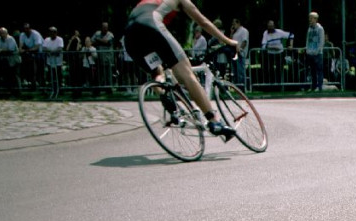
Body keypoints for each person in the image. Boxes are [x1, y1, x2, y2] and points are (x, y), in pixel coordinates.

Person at [124, 1, 239, 140]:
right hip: (151, 24)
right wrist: (228, 41)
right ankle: (214, 121)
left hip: (131, 36)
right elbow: (203, 22)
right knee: (187, 73)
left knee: (158, 73)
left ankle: (170, 104)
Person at [261, 21, 293, 85]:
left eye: (272, 26)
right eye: (269, 26)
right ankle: (271, 84)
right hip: (270, 54)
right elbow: (263, 46)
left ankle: (280, 84)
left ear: (274, 26)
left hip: (279, 53)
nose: (270, 28)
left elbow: (291, 35)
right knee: (270, 69)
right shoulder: (265, 33)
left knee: (279, 69)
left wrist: (291, 45)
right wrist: (273, 48)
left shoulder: (279, 32)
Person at [0, 27, 20, 93]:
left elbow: (11, 49)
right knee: (7, 76)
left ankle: (18, 91)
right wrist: (1, 50)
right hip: (4, 61)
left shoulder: (11, 39)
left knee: (14, 76)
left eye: (3, 33)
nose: (2, 34)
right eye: (0, 33)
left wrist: (2, 50)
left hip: (13, 60)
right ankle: (9, 91)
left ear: (6, 33)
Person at [41, 26, 63, 99]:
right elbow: (44, 48)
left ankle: (59, 89)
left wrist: (52, 52)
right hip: (50, 61)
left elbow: (60, 48)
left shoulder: (60, 39)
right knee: (51, 76)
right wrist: (51, 52)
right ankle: (52, 89)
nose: (52, 34)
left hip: (58, 61)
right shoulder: (47, 39)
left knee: (58, 76)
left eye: (54, 32)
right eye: (51, 32)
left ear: (56, 33)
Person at [91, 21, 116, 88]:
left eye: (106, 27)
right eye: (104, 27)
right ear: (101, 27)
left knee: (108, 73)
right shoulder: (97, 33)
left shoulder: (110, 34)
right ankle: (99, 87)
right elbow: (92, 42)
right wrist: (100, 41)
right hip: (99, 57)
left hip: (108, 58)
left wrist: (98, 40)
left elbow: (107, 42)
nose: (105, 29)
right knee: (99, 73)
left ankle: (109, 87)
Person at [19, 22, 43, 89]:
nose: (26, 30)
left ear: (30, 28)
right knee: (28, 68)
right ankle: (30, 83)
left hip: (40, 53)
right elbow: (20, 47)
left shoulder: (36, 34)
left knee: (39, 70)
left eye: (27, 28)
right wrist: (21, 50)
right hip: (30, 53)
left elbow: (37, 47)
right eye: (25, 29)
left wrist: (26, 50)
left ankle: (41, 84)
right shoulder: (22, 35)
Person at [306, 12, 325, 92]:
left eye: (311, 18)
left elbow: (321, 41)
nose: (310, 19)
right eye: (309, 17)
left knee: (319, 71)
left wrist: (318, 51)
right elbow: (307, 40)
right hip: (310, 52)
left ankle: (320, 87)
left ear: (316, 19)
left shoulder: (320, 28)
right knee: (312, 71)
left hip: (317, 53)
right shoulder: (309, 28)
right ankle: (313, 87)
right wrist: (307, 49)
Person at [230, 18, 249, 86]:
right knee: (235, 71)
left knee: (240, 70)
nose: (233, 25)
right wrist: (231, 32)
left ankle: (242, 85)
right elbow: (231, 40)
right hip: (234, 53)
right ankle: (237, 84)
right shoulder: (235, 32)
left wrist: (240, 49)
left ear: (238, 23)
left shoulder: (244, 31)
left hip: (240, 53)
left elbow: (244, 41)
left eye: (234, 24)